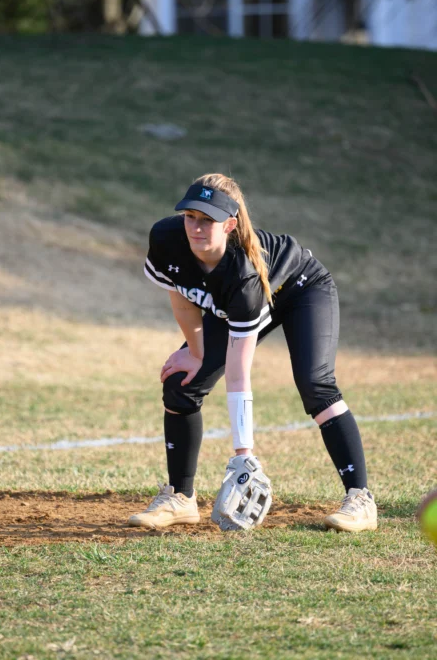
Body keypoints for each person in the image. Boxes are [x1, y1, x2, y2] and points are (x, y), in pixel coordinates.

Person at [128, 173, 377, 532]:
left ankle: (360, 500)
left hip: (302, 291)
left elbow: (238, 371)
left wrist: (243, 456)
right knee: (182, 383)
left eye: (207, 220)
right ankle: (180, 498)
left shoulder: (242, 271)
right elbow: (182, 297)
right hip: (239, 302)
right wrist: (195, 353)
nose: (196, 227)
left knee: (315, 385)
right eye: (190, 216)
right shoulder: (167, 238)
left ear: (230, 224)